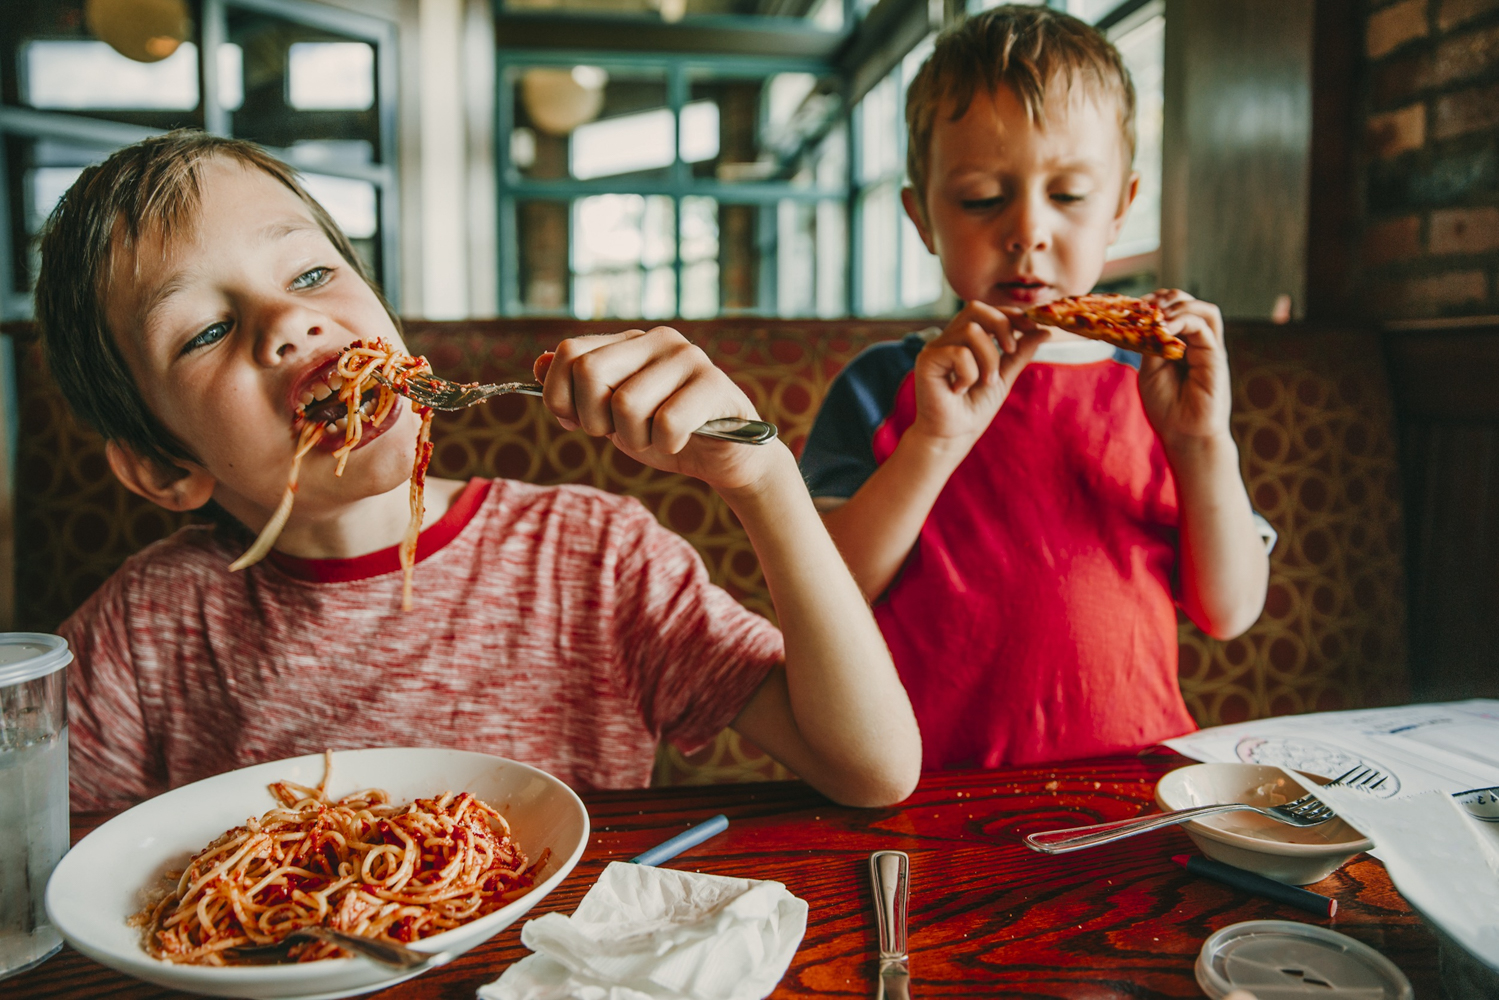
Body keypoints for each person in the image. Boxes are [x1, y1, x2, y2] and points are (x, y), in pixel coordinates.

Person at [39, 130, 920, 812]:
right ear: (162, 469)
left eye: (311, 271)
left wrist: (761, 479)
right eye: (203, 331)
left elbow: (870, 768)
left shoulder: (591, 556)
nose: (289, 321)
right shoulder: (145, 631)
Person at [800, 6, 1272, 771]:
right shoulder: (883, 385)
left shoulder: (1159, 392)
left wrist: (1199, 444)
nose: (1026, 230)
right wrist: (932, 443)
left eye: (1070, 195)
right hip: (924, 782)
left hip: (1134, 778)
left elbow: (1229, 611)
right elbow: (827, 595)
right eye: (982, 197)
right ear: (921, 216)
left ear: (1120, 207)